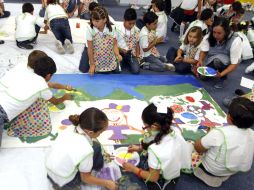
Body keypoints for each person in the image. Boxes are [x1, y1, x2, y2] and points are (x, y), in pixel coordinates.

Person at [0, 56, 71, 146]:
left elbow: (51, 84)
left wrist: (65, 87)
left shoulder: (27, 70)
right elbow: (56, 102)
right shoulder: (42, 87)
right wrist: (65, 97)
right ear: (49, 75)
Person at [122, 103, 192, 190]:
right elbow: (151, 138)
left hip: (164, 175)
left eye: (145, 126)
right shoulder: (175, 129)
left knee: (144, 168)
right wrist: (140, 148)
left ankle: (165, 183)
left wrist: (133, 169)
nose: (145, 129)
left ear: (154, 126)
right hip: (174, 165)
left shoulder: (155, 150)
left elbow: (153, 177)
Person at [46, 107, 118, 190]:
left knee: (97, 146)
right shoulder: (86, 150)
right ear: (90, 132)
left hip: (51, 169)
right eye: (101, 132)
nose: (101, 134)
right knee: (94, 150)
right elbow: (85, 178)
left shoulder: (71, 128)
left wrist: (104, 153)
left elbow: (92, 141)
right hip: (64, 180)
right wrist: (107, 183)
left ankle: (95, 167)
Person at [194, 97, 254, 187]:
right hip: (234, 169)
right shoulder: (252, 133)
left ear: (229, 117)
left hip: (212, 169)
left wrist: (206, 137)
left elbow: (198, 147)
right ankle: (223, 174)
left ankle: (208, 176)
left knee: (189, 146)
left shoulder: (218, 134)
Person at [197, 17, 243, 89]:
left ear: (226, 31)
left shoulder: (236, 40)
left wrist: (221, 74)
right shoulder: (209, 35)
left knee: (217, 61)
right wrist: (200, 60)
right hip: (213, 57)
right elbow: (204, 51)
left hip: (228, 59)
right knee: (202, 77)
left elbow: (234, 64)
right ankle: (215, 69)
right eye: (214, 32)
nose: (215, 36)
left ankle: (223, 77)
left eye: (219, 33)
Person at [79, 6, 122, 75]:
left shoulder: (112, 29)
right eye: (92, 20)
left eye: (97, 21)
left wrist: (117, 54)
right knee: (83, 69)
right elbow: (90, 48)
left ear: (104, 20)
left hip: (107, 51)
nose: (94, 23)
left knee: (116, 71)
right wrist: (92, 64)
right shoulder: (90, 29)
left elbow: (114, 44)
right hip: (92, 48)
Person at [115, 8, 140, 74]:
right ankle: (122, 61)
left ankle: (126, 62)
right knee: (117, 70)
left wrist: (137, 56)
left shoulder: (136, 30)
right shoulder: (117, 28)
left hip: (131, 54)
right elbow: (113, 44)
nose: (131, 26)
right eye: (129, 23)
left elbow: (137, 44)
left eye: (133, 23)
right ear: (124, 20)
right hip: (119, 52)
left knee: (136, 70)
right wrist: (120, 51)